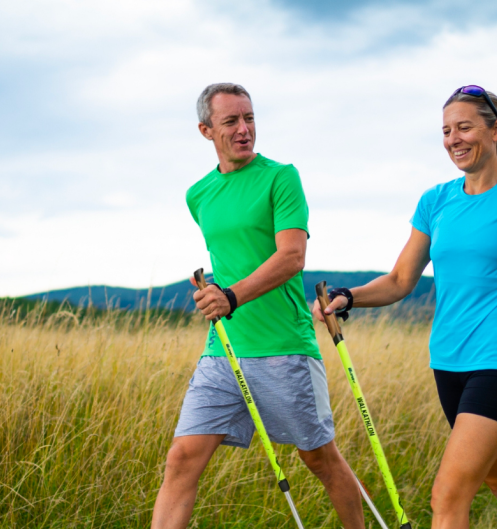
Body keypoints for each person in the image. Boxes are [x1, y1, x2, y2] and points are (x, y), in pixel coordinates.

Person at [316, 85, 497, 529]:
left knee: (447, 495)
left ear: (496, 129)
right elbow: (399, 281)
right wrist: (350, 297)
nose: (453, 139)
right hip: (447, 365)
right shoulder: (435, 201)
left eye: (464, 127)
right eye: (446, 131)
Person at [150, 83, 365, 529]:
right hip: (223, 350)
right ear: (206, 130)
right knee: (182, 458)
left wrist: (229, 297)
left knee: (320, 460)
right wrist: (218, 296)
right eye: (231, 121)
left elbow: (292, 257)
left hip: (284, 346)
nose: (244, 129)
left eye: (249, 118)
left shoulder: (280, 177)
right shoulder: (198, 195)